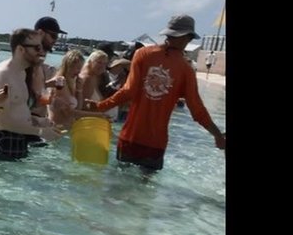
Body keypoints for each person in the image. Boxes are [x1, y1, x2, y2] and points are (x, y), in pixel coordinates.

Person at [88, 14, 226, 170]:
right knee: (145, 191)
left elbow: (128, 91)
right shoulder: (186, 69)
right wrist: (217, 135)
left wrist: (100, 106)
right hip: (156, 145)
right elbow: (197, 110)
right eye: (189, 39)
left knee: (117, 188)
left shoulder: (143, 55)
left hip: (130, 138)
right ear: (186, 37)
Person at [0, 28, 64, 160]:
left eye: (41, 47)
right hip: (5, 141)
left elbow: (17, 110)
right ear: (20, 49)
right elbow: (4, 122)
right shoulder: (3, 75)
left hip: (19, 138)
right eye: (37, 48)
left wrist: (39, 121)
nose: (41, 52)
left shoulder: (21, 72)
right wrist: (41, 132)